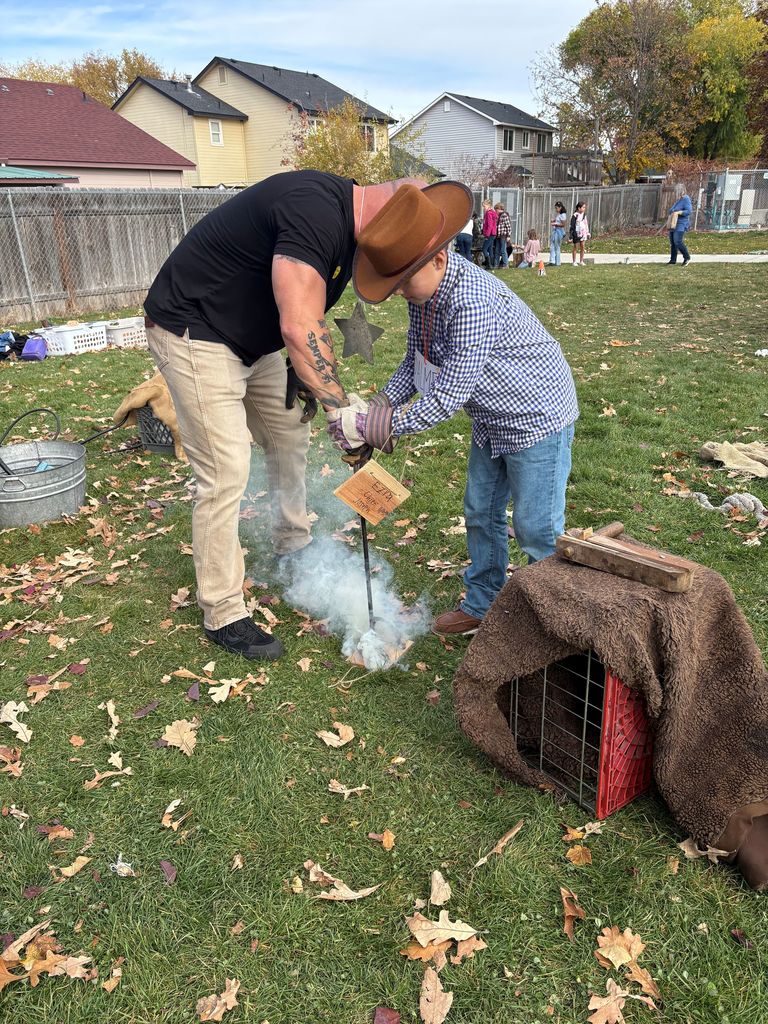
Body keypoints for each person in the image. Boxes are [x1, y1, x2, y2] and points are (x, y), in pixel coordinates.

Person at [143, 170, 424, 660]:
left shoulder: (345, 228)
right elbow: (298, 325)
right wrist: (343, 411)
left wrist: (309, 373)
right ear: (383, 212)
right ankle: (223, 610)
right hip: (195, 329)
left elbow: (310, 320)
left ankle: (292, 544)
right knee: (225, 469)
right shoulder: (314, 211)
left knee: (290, 432)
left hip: (253, 341)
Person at [327, 184, 578, 637]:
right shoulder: (426, 297)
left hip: (538, 417)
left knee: (536, 529)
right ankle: (484, 604)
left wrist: (373, 426)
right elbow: (416, 365)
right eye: (394, 282)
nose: (400, 291)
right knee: (481, 511)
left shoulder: (470, 300)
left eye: (404, 280)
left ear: (439, 259)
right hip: (492, 419)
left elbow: (446, 396)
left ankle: (554, 627)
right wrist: (382, 404)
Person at [667, 185, 693, 266]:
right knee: (673, 243)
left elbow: (688, 211)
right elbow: (671, 210)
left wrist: (678, 212)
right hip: (673, 223)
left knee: (677, 241)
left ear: (681, 191)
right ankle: (672, 260)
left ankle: (687, 257)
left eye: (677, 191)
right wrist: (672, 211)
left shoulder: (686, 199)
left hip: (681, 223)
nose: (675, 193)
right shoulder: (679, 200)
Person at [569, 201, 590, 266]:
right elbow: (572, 226)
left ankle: (581, 261)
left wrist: (587, 232)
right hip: (577, 233)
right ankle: (574, 261)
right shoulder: (575, 215)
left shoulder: (584, 215)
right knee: (576, 247)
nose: (584, 209)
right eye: (583, 207)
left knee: (582, 246)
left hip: (583, 233)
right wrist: (571, 235)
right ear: (579, 208)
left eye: (584, 207)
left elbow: (586, 223)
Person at [548, 201, 567, 266]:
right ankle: (552, 261)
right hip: (555, 231)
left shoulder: (563, 215)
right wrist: (554, 220)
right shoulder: (559, 214)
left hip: (559, 232)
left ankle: (558, 262)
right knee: (552, 246)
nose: (556, 209)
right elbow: (558, 221)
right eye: (555, 208)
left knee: (557, 247)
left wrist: (555, 224)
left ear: (560, 207)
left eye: (556, 208)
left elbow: (563, 224)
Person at [481, 199, 498, 269]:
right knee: (490, 249)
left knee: (484, 249)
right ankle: (492, 264)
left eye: (484, 206)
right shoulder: (492, 213)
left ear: (488, 205)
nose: (483, 208)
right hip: (493, 233)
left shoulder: (488, 213)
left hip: (490, 234)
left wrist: (487, 235)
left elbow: (490, 225)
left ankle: (488, 264)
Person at [494, 203, 511, 268]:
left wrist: (508, 236)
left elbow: (508, 226)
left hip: (503, 235)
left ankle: (505, 264)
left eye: (496, 209)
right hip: (498, 235)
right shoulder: (499, 216)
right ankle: (496, 264)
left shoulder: (504, 215)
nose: (495, 211)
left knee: (503, 250)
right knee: (497, 250)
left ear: (499, 209)